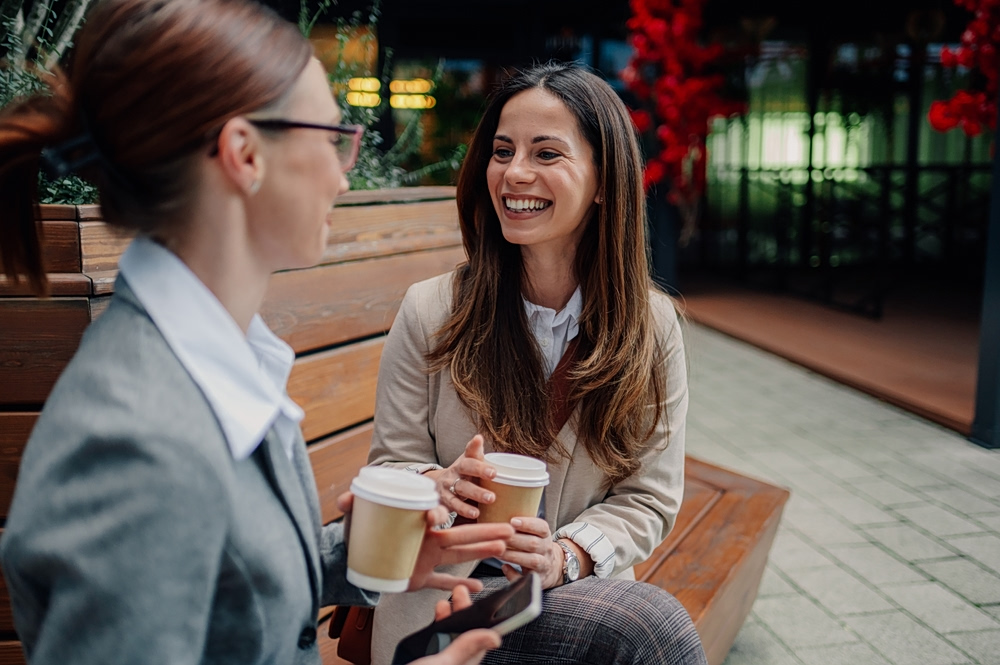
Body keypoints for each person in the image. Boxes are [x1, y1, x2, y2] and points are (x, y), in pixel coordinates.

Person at [0, 1, 513, 663]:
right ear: (244, 153)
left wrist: (356, 556)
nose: (343, 170)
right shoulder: (133, 447)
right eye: (331, 137)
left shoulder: (223, 358)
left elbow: (224, 584)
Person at [367, 62, 708, 665]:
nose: (515, 172)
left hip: (571, 593)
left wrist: (563, 557)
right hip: (446, 605)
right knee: (652, 628)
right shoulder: (431, 309)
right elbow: (392, 463)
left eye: (546, 153)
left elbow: (648, 498)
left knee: (644, 627)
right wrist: (436, 485)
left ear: (604, 182)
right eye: (503, 151)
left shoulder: (650, 328)